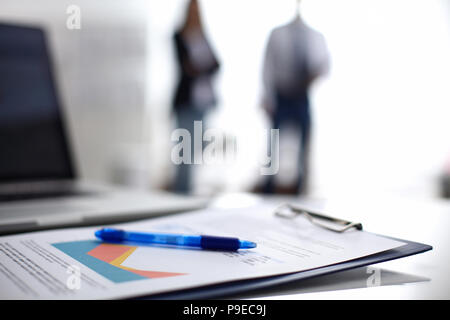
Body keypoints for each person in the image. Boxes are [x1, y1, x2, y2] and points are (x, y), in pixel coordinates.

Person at [261, 3, 329, 195]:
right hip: (281, 95)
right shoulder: (277, 33)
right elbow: (267, 67)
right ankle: (268, 188)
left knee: (304, 145)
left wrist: (314, 75)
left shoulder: (315, 36)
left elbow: (325, 66)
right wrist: (267, 97)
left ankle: (301, 189)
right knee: (273, 147)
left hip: (302, 96)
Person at [172, 0, 220, 193]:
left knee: (197, 149)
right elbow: (187, 67)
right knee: (184, 152)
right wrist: (202, 66)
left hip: (203, 103)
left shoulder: (203, 36)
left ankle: (189, 190)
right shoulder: (178, 36)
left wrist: (201, 67)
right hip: (186, 103)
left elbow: (217, 64)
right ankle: (180, 193)